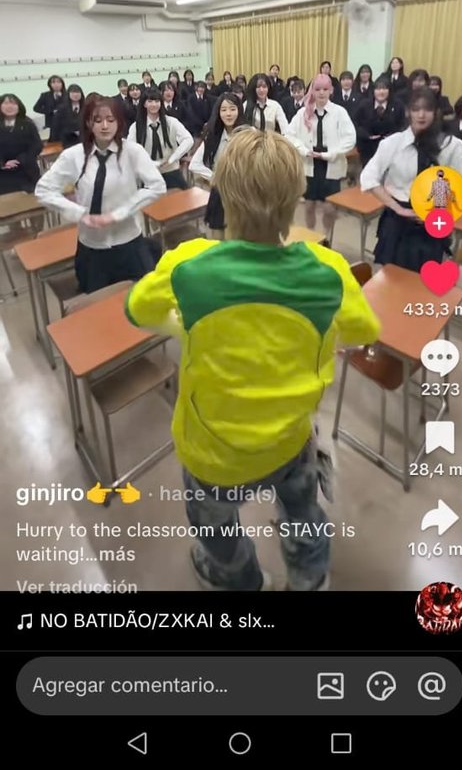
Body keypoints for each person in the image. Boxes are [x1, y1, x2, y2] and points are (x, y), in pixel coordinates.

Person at [125, 129, 380, 592]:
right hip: (290, 438)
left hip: (212, 450)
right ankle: (308, 579)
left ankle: (240, 579)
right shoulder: (327, 270)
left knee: (215, 526)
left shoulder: (189, 264)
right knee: (302, 511)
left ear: (222, 195)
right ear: (296, 196)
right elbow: (365, 330)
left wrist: (184, 326)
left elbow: (138, 310)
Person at [35, 96, 166, 293]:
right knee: (98, 303)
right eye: (98, 120)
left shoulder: (132, 152)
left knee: (141, 299)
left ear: (119, 122)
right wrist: (79, 213)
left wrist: (120, 213)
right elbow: (43, 190)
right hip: (91, 248)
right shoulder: (74, 155)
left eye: (111, 120)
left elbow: (157, 186)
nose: (105, 126)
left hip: (129, 242)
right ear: (88, 123)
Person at [360, 88, 462, 271]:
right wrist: (398, 208)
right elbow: (368, 178)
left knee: (426, 277)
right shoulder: (393, 143)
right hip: (398, 220)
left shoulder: (451, 146)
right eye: (416, 109)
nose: (421, 115)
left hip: (434, 220)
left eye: (427, 109)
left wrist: (448, 212)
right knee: (390, 276)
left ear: (436, 112)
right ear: (408, 112)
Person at [286, 73, 356, 239]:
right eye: (317, 89)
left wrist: (331, 154)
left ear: (331, 90)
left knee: (329, 207)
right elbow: (288, 134)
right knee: (309, 205)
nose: (321, 93)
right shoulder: (303, 113)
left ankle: (326, 236)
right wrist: (303, 150)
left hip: (331, 163)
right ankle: (311, 236)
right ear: (312, 91)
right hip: (310, 163)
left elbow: (350, 138)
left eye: (325, 89)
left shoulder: (339, 112)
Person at [189, 94, 245, 238]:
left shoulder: (248, 134)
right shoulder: (213, 135)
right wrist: (215, 177)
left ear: (239, 110)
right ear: (218, 112)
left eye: (232, 109)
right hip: (220, 193)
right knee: (218, 237)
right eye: (224, 110)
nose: (228, 114)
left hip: (243, 193)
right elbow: (194, 164)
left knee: (239, 237)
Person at [128, 86, 193, 190]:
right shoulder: (136, 127)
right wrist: (152, 164)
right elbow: (130, 151)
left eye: (157, 101)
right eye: (150, 101)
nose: (154, 104)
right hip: (148, 174)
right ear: (144, 104)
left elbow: (188, 139)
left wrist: (173, 158)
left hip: (171, 171)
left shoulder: (171, 122)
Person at [355, 76, 405, 167]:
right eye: (378, 89)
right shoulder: (364, 105)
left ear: (389, 90)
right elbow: (355, 124)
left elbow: (403, 125)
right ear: (373, 91)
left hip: (391, 149)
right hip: (368, 149)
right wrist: (367, 135)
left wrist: (393, 136)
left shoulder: (398, 105)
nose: (381, 92)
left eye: (384, 88)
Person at [0, 93, 42, 196]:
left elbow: (37, 145)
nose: (9, 106)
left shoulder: (28, 124)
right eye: (6, 103)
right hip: (3, 173)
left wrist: (21, 159)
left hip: (26, 169)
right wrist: (3, 163)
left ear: (19, 107)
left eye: (13, 103)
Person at [51, 84, 85, 149]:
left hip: (83, 140)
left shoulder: (86, 107)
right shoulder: (62, 109)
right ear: (68, 94)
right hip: (67, 141)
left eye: (78, 92)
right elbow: (56, 125)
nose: (75, 95)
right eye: (73, 92)